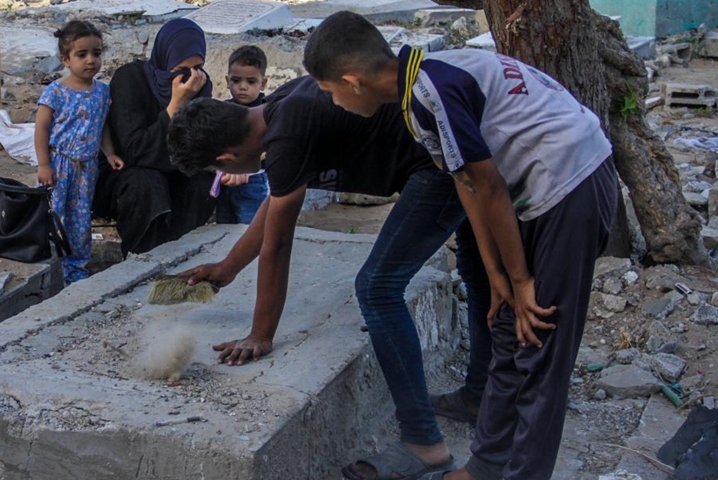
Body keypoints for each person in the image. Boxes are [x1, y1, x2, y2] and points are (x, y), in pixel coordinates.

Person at [302, 11, 618, 480]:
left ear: (353, 81)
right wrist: (496, 276)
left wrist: (521, 277)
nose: (334, 102)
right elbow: (465, 185)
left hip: (570, 184)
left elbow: (488, 187)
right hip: (536, 195)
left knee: (540, 347)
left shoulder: (432, 90)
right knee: (510, 329)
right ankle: (486, 467)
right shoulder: (416, 95)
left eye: (330, 92)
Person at [168, 76, 492, 480]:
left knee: (377, 288)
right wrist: (228, 267)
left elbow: (279, 242)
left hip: (438, 165)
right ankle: (480, 397)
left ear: (227, 158)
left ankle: (424, 444)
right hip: (456, 144)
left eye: (214, 167)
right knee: (477, 274)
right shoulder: (279, 107)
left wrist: (261, 333)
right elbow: (277, 200)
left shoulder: (287, 135)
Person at [92, 18, 216, 256]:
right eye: (181, 68)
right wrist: (175, 107)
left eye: (197, 67)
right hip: (123, 171)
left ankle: (181, 256)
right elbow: (133, 149)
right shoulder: (131, 78)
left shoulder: (200, 83)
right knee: (147, 183)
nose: (190, 76)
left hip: (173, 166)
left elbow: (199, 140)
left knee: (202, 183)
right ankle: (144, 259)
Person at [35, 20, 124, 284]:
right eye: (81, 54)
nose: (91, 60)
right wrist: (43, 165)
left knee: (80, 221)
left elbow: (102, 126)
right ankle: (48, 268)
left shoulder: (102, 92)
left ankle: (76, 273)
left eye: (96, 53)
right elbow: (41, 129)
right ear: (65, 59)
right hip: (59, 165)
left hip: (87, 168)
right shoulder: (56, 92)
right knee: (53, 216)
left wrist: (109, 155)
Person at [214, 45, 270, 225]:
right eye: (236, 80)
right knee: (224, 226)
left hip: (253, 180)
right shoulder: (223, 110)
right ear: (227, 80)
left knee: (250, 228)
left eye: (251, 82)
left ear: (263, 83)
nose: (242, 87)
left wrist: (247, 161)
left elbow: (271, 146)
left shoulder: (267, 110)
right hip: (225, 180)